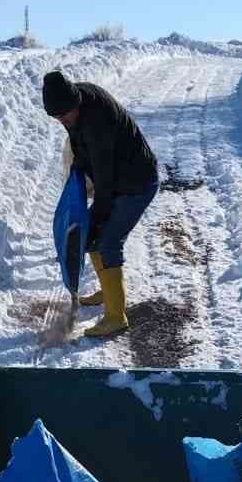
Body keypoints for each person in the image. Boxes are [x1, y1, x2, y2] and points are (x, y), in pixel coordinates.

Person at [42, 70, 158, 339]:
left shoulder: (98, 124)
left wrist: (95, 219)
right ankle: (108, 292)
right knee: (92, 236)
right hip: (119, 180)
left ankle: (117, 317)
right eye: (56, 117)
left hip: (137, 184)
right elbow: (81, 150)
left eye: (65, 115)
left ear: (76, 103)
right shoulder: (76, 98)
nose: (62, 121)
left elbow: (105, 182)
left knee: (107, 239)